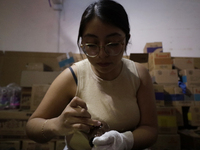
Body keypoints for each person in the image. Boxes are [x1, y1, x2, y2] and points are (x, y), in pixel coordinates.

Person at [26, 0, 158, 150]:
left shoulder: (138, 75)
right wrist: (55, 125)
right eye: (91, 45)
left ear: (126, 40)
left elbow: (150, 129)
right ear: (82, 43)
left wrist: (123, 141)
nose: (102, 54)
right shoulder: (72, 77)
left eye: (113, 44)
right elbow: (32, 127)